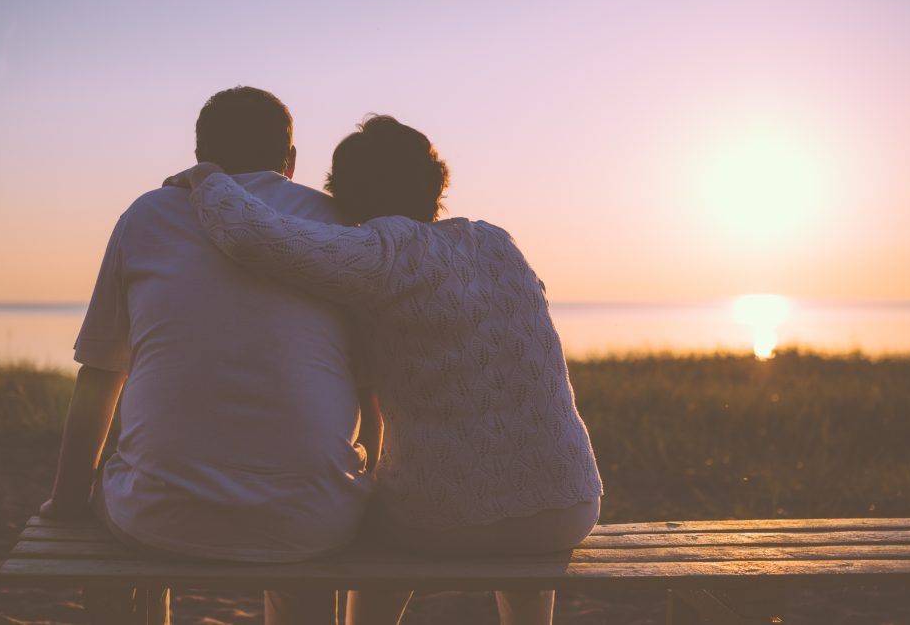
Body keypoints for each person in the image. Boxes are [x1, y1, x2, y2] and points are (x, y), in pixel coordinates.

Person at [168, 115, 604, 625]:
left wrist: (208, 177)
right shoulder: (497, 243)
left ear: (345, 195)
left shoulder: (384, 252)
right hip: (568, 506)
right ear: (434, 182)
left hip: (444, 519)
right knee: (515, 522)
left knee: (362, 521)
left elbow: (256, 238)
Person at [41, 86, 376, 624]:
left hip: (158, 518)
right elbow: (368, 384)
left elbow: (101, 373)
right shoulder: (333, 220)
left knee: (121, 506)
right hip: (313, 523)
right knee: (303, 546)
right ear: (290, 160)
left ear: (199, 158)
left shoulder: (147, 215)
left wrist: (65, 501)